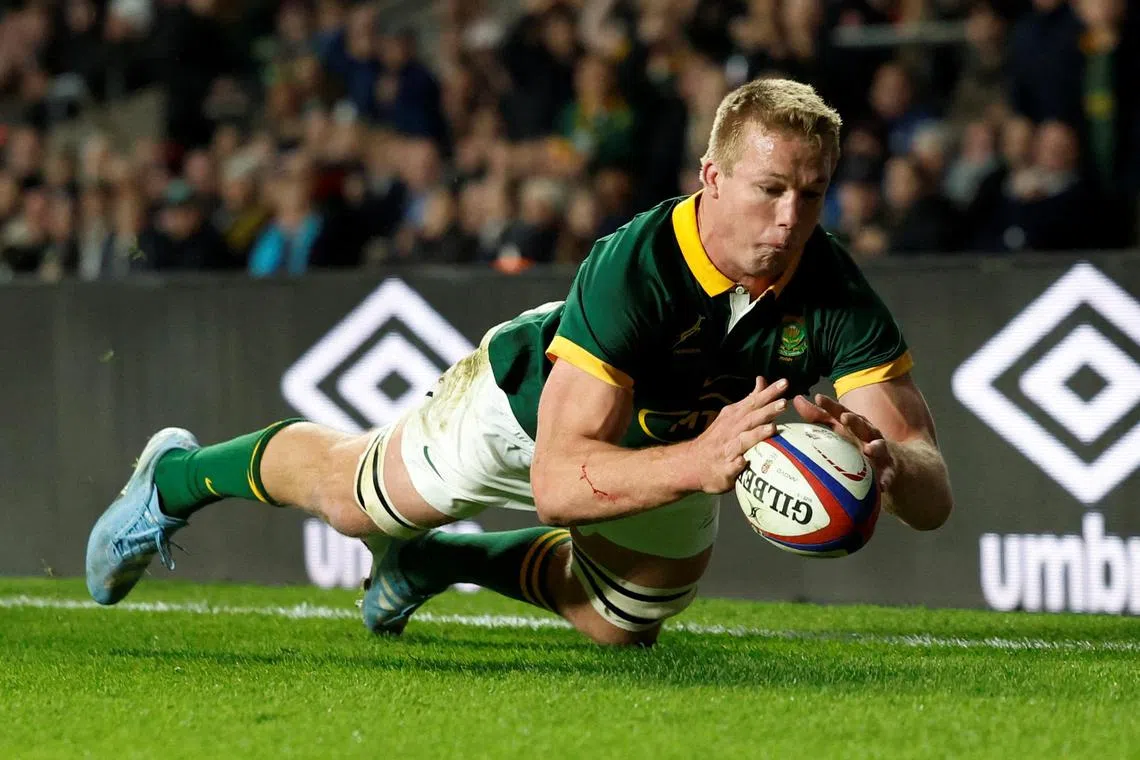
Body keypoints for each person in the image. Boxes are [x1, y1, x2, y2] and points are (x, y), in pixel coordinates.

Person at [85, 78, 954, 647]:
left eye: (812, 193)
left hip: (685, 445)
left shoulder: (832, 284)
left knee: (622, 624)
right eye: (770, 188)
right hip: (530, 406)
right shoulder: (636, 267)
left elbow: (932, 492)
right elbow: (559, 482)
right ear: (712, 179)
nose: (790, 217)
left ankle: (441, 563)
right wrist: (703, 461)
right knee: (357, 506)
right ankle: (176, 478)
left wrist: (888, 465)